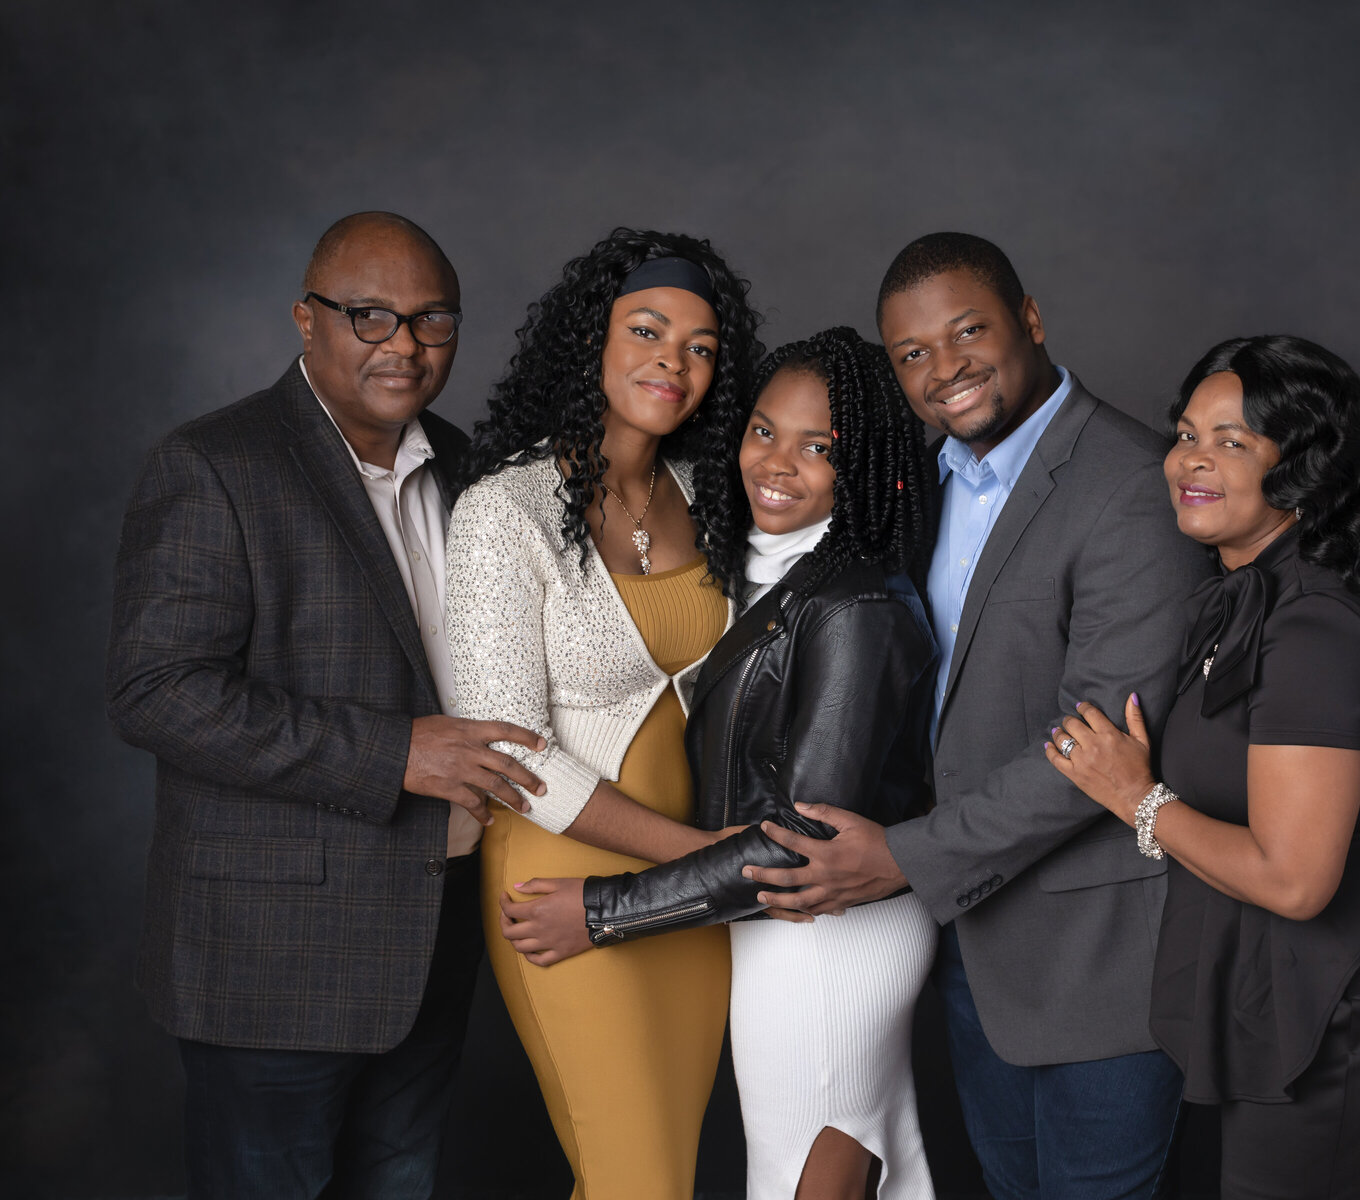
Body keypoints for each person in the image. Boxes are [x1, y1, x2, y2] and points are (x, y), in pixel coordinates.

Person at [746, 234, 1216, 1199]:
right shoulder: (920, 483)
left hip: (1101, 967)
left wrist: (899, 856)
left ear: (1030, 320)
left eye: (969, 331)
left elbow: (1096, 750)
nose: (944, 367)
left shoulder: (1130, 486)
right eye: (912, 353)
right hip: (971, 950)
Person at [106, 211, 549, 1199]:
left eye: (433, 319)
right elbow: (156, 691)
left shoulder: (469, 467)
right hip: (272, 960)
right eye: (370, 316)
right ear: (305, 320)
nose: (404, 344)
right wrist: (395, 752)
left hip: (431, 936)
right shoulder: (217, 464)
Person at [503, 326, 942, 1200]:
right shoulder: (756, 565)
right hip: (780, 929)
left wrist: (601, 912)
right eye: (764, 431)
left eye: (820, 447)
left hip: (825, 942)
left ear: (863, 466)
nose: (778, 462)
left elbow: (803, 845)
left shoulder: (856, 602)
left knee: (800, 1178)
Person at [1042, 335, 1360, 1198]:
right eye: (1187, 434)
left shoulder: (1310, 631)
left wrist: (1138, 799)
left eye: (1233, 441)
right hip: (1276, 989)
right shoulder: (1243, 596)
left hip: (1342, 1004)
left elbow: (1296, 880)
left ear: (1301, 466)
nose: (1192, 461)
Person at [444, 228, 763, 1199]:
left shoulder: (708, 495)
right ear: (593, 341)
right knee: (641, 1182)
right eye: (648, 329)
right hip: (564, 887)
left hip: (695, 892)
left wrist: (710, 861)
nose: (674, 360)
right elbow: (506, 754)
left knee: (655, 1173)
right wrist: (699, 854)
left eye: (701, 345)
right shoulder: (504, 511)